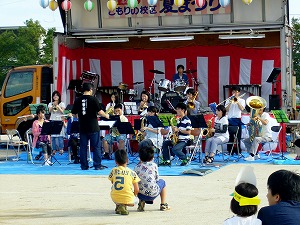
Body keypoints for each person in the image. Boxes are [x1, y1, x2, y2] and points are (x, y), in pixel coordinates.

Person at [71, 82, 108, 170]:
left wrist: (80, 116)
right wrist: (106, 115)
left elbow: (74, 113)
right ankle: (97, 165)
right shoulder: (93, 99)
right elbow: (99, 112)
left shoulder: (77, 100)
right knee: (96, 146)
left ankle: (84, 166)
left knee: (83, 147)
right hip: (93, 126)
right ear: (90, 90)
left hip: (82, 126)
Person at [134, 140, 170, 212]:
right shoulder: (154, 165)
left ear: (140, 157)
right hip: (152, 193)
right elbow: (156, 179)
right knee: (162, 182)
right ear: (152, 157)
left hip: (140, 194)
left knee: (140, 182)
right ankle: (163, 204)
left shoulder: (136, 167)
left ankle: (141, 203)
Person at [108, 149, 140, 215]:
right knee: (135, 199)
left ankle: (119, 205)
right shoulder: (132, 172)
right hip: (128, 198)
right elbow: (137, 189)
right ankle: (123, 205)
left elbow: (112, 182)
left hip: (115, 197)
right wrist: (133, 195)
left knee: (113, 188)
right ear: (127, 161)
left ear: (116, 162)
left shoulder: (113, 170)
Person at [225, 86, 246, 155]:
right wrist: (230, 102)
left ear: (239, 93)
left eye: (236, 92)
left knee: (238, 137)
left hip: (237, 120)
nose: (235, 93)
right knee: (230, 136)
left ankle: (238, 150)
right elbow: (226, 110)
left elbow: (242, 109)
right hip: (230, 119)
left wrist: (237, 101)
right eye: (233, 91)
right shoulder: (228, 100)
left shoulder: (242, 100)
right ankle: (230, 151)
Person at [48, 91, 66, 155]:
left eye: (57, 95)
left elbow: (62, 112)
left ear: (59, 97)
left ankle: (61, 149)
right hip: (52, 119)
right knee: (52, 136)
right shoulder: (50, 104)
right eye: (54, 95)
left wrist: (58, 106)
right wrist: (53, 105)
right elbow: (49, 111)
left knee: (60, 136)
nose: (55, 96)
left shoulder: (62, 104)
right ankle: (54, 149)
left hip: (59, 120)